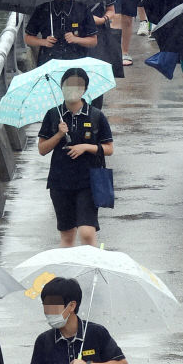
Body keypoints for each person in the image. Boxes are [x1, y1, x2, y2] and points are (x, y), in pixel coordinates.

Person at [37, 67, 113, 248]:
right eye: (68, 85)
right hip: (60, 181)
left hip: (88, 180)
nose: (72, 90)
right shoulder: (53, 114)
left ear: (84, 89)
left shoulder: (95, 115)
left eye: (77, 86)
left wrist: (85, 147)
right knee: (67, 235)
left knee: (87, 232)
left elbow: (109, 148)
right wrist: (58, 134)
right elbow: (42, 149)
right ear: (61, 87)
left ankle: (92, 267)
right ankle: (67, 274)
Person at [67, 0, 124, 82]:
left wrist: (101, 20)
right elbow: (111, 11)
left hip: (92, 36)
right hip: (82, 36)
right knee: (94, 76)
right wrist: (103, 19)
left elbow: (110, 11)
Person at [24, 0, 97, 67]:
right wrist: (43, 42)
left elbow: (93, 41)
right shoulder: (42, 9)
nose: (63, 3)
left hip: (77, 61)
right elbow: (28, 38)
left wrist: (76, 39)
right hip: (48, 60)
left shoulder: (83, 9)